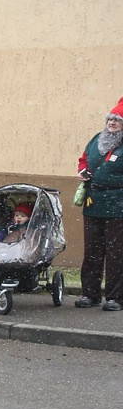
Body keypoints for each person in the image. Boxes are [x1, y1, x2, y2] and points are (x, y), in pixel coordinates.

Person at [75, 97, 123, 311]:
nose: (112, 123)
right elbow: (83, 159)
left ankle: (115, 298)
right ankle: (90, 294)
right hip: (93, 203)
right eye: (110, 119)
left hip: (118, 205)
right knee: (92, 251)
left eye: (118, 120)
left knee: (116, 254)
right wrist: (82, 171)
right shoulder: (97, 139)